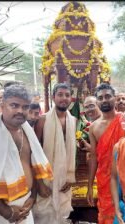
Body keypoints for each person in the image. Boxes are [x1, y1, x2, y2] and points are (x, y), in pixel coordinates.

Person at [0, 84, 53, 224]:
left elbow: (32, 167)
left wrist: (32, 197)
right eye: (14, 105)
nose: (20, 111)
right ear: (2, 106)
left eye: (25, 107)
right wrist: (6, 212)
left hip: (25, 210)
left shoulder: (27, 132)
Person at [33, 83, 77, 224]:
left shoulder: (73, 121)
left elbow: (71, 152)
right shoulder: (42, 120)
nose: (63, 98)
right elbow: (34, 153)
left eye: (67, 95)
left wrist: (70, 176)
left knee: (62, 217)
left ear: (71, 98)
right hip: (46, 180)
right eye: (60, 94)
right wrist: (40, 183)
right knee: (44, 217)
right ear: (53, 97)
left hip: (64, 180)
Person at [87, 83, 125, 224]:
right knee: (107, 216)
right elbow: (93, 158)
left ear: (114, 98)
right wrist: (90, 186)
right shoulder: (93, 127)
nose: (104, 100)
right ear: (97, 101)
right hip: (105, 181)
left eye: (108, 96)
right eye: (100, 97)